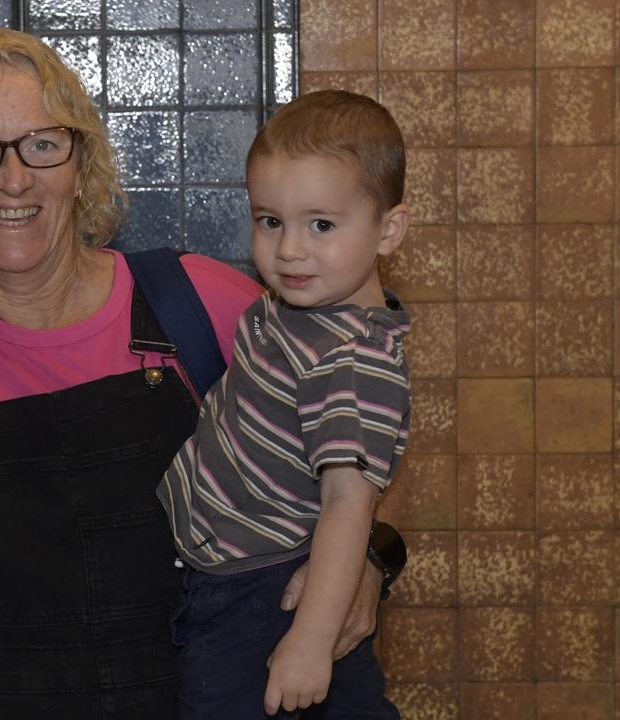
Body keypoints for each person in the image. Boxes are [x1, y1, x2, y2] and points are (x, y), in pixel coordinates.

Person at [0, 28, 392, 718]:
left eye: (42, 142)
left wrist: (372, 559)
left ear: (78, 163)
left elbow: (361, 443)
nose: (14, 177)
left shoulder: (198, 306)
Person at [159, 90, 410, 719]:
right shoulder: (302, 310)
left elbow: (351, 506)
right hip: (234, 575)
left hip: (263, 590)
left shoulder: (349, 358)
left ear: (390, 230)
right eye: (270, 220)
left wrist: (310, 641)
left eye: (321, 224)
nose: (290, 248)